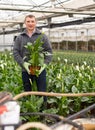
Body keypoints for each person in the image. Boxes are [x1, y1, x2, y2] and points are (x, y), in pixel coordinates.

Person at [13, 14, 52, 104]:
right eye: (28, 21)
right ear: (25, 23)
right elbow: (15, 52)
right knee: (28, 92)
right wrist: (23, 63)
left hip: (40, 70)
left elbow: (49, 51)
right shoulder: (20, 37)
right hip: (25, 70)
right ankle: (30, 114)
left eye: (32, 21)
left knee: (42, 92)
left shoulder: (42, 36)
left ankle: (43, 113)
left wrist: (45, 64)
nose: (30, 23)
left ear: (36, 23)